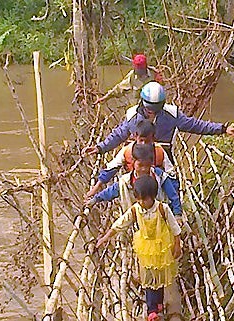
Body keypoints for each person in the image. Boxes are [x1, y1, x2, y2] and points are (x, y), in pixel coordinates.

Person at [82, 81, 234, 162]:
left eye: (156, 108)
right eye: (149, 108)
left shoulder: (171, 114)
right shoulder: (133, 115)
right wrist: (100, 147)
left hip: (163, 158)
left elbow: (196, 125)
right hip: (139, 158)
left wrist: (223, 129)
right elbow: (119, 134)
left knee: (172, 187)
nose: (152, 112)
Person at [95, 175, 182, 321]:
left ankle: (159, 303)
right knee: (148, 277)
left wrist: (177, 246)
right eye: (138, 199)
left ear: (153, 196)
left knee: (160, 275)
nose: (141, 202)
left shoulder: (162, 208)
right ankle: (152, 309)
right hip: (146, 248)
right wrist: (105, 237)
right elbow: (120, 223)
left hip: (162, 246)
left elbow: (175, 228)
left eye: (144, 199)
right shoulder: (135, 210)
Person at [85, 119, 175, 198]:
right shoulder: (128, 151)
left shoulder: (159, 151)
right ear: (135, 136)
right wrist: (95, 188)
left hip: (156, 188)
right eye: (141, 140)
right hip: (134, 188)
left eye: (147, 141)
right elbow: (111, 169)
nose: (143, 144)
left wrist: (174, 194)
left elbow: (170, 174)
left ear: (153, 138)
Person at [85, 143, 181, 216]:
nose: (143, 169)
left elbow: (172, 195)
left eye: (146, 165)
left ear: (151, 163)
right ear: (133, 163)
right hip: (139, 219)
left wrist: (177, 214)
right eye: (140, 165)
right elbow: (111, 191)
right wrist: (95, 199)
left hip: (161, 215)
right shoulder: (126, 182)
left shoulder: (160, 177)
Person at [95, 54, 162, 105]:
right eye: (137, 69)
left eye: (141, 69)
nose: (138, 72)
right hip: (138, 109)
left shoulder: (154, 74)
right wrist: (105, 97)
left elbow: (163, 87)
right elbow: (119, 88)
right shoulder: (132, 76)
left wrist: (160, 81)